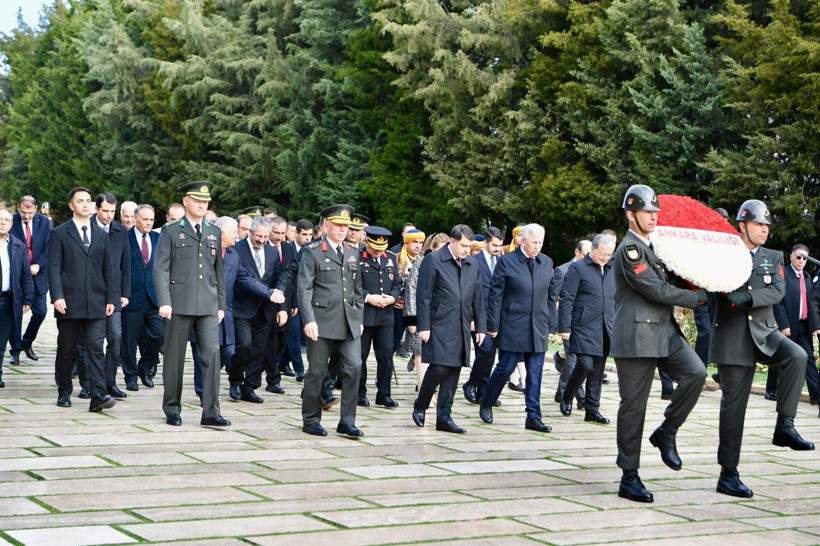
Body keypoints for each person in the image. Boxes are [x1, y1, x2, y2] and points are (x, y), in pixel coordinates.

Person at [611, 184, 709, 503]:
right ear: (631, 215)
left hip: (665, 333)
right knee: (634, 407)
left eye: (655, 211)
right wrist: (696, 298)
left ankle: (667, 431)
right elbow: (656, 290)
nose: (653, 217)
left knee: (696, 373)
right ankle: (629, 475)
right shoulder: (630, 250)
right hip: (637, 337)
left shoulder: (653, 248)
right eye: (646, 212)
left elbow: (671, 280)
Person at [710, 200, 814, 499]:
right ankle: (728, 474)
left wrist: (749, 298)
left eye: (766, 225)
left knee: (797, 355)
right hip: (733, 337)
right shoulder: (723, 254)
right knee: (734, 408)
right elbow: (710, 283)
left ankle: (785, 426)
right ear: (742, 225)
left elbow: (777, 291)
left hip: (766, 332)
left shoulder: (773, 256)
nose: (764, 230)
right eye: (758, 224)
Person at [154, 181, 229, 427]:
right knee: (174, 359)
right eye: (197, 200)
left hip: (208, 304)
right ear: (186, 201)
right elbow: (160, 268)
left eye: (205, 202)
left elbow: (218, 271)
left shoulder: (213, 231)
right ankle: (172, 408)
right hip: (178, 303)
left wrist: (221, 304)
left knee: (212, 357)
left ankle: (211, 412)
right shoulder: (171, 231)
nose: (201, 205)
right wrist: (164, 301)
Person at [478, 224, 557, 433]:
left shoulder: (546, 262)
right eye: (534, 242)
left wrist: (552, 324)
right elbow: (495, 295)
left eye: (540, 242)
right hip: (513, 324)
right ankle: (487, 400)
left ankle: (534, 416)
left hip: (538, 325)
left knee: (535, 372)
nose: (537, 246)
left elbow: (551, 296)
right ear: (523, 240)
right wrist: (493, 324)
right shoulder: (507, 261)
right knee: (505, 368)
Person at [298, 204, 365, 438]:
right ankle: (311, 419)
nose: (342, 229)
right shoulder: (313, 251)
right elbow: (304, 288)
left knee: (354, 367)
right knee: (316, 372)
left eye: (346, 226)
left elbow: (357, 289)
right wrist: (308, 320)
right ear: (326, 225)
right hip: (322, 321)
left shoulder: (352, 251)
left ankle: (347, 421)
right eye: (338, 225)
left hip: (349, 321)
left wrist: (359, 316)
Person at [47, 187, 116, 412]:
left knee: (96, 348)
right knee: (67, 349)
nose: (85, 204)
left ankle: (98, 395)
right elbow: (53, 268)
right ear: (71, 206)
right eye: (80, 201)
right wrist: (57, 296)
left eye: (88, 200)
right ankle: (64, 390)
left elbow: (108, 269)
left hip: (96, 301)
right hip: (69, 302)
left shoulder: (101, 234)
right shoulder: (59, 233)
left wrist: (110, 298)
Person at [412, 225, 486, 434]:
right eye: (463, 246)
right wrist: (424, 326)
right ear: (452, 242)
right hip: (439, 323)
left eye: (469, 246)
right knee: (439, 368)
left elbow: (478, 297)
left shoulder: (472, 264)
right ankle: (421, 404)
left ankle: (444, 417)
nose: (466, 250)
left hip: (461, 324)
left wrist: (481, 326)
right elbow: (423, 296)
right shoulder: (433, 260)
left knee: (454, 370)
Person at [558, 233, 616, 425]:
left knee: (597, 371)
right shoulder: (578, 268)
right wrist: (565, 326)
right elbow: (567, 298)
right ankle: (568, 395)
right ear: (592, 249)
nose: (605, 258)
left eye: (609, 254)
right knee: (585, 365)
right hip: (582, 326)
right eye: (602, 253)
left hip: (604, 327)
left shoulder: (611, 269)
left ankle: (592, 410)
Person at [228, 217, 280, 403]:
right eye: (259, 236)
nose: (262, 240)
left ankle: (249, 387)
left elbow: (277, 279)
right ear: (250, 232)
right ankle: (235, 381)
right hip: (242, 307)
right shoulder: (236, 249)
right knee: (243, 344)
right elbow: (240, 278)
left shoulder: (272, 252)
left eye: (266, 236)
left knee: (259, 350)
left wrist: (282, 308)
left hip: (265, 309)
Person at [90, 193, 131, 400]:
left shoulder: (120, 230)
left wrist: (125, 293)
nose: (108, 215)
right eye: (105, 211)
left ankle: (110, 382)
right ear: (96, 209)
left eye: (112, 211)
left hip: (114, 295)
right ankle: (90, 384)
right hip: (91, 293)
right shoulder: (87, 227)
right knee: (91, 341)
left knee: (115, 336)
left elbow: (126, 264)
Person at [770, 244, 820, 404]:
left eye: (804, 258)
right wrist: (783, 324)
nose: (801, 260)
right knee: (780, 356)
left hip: (803, 326)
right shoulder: (783, 275)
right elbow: (777, 301)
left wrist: (814, 325)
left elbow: (811, 302)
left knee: (808, 358)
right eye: (798, 257)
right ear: (791, 256)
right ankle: (771, 390)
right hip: (788, 325)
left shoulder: (807, 277)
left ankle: (816, 395)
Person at [358, 226, 401, 408]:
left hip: (385, 315)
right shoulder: (357, 258)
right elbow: (351, 285)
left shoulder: (389, 258)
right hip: (364, 314)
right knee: (360, 356)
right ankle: (359, 393)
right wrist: (368, 297)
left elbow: (397, 283)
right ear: (366, 241)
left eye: (381, 248)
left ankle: (384, 394)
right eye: (375, 247)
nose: (378, 252)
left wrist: (392, 297)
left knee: (386, 356)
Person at [121, 205, 163, 391]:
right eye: (145, 219)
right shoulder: (124, 238)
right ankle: (130, 376)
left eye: (151, 220)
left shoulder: (157, 238)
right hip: (131, 297)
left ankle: (144, 368)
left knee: (159, 335)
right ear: (136, 219)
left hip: (154, 298)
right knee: (129, 341)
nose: (148, 223)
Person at [463, 226, 504, 405]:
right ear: (486, 242)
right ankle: (472, 383)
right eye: (494, 245)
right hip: (479, 314)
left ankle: (484, 392)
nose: (497, 249)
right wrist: (471, 318)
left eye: (500, 246)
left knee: (491, 355)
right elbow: (468, 291)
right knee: (485, 350)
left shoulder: (502, 261)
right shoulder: (474, 261)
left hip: (497, 316)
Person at [9, 195, 50, 365]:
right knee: (15, 316)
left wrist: (38, 265)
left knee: (41, 312)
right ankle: (15, 351)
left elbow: (48, 247)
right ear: (18, 208)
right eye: (23, 212)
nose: (26, 216)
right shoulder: (11, 221)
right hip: (17, 275)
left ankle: (26, 342)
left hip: (38, 274)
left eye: (30, 213)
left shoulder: (44, 222)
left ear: (36, 209)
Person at [552, 239, 592, 408]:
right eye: (586, 255)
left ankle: (562, 392)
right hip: (568, 322)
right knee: (574, 360)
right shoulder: (562, 270)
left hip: (586, 323)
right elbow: (553, 298)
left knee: (578, 360)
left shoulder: (593, 270)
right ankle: (581, 398)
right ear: (577, 252)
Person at [0, 207, 33, 387]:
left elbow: (25, 275)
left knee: (2, 340)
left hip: (8, 300)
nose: (2, 222)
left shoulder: (18, 245)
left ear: (12, 224)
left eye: (6, 220)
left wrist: (27, 298)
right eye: (0, 219)